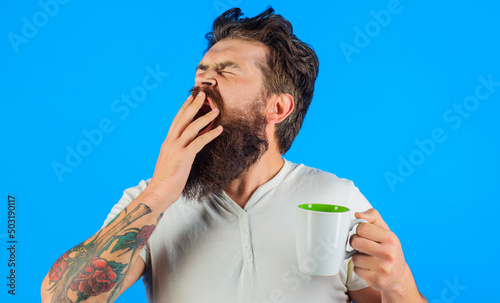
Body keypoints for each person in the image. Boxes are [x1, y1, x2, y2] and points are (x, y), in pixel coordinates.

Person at [41, 7, 427, 303]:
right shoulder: (151, 204)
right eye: (202, 70)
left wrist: (399, 285)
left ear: (277, 108)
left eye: (226, 71)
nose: (204, 80)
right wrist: (160, 192)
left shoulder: (336, 200)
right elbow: (61, 298)